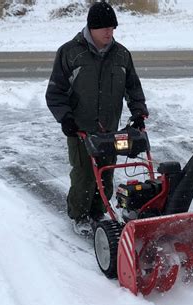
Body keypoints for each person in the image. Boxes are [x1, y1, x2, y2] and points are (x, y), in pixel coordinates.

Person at [46, 1, 148, 236]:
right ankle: (80, 215)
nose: (109, 33)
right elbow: (55, 92)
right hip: (80, 129)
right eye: (104, 28)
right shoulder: (71, 53)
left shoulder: (121, 54)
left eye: (112, 28)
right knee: (84, 176)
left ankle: (98, 211)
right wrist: (66, 119)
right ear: (91, 28)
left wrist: (139, 113)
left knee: (106, 172)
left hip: (109, 129)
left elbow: (133, 88)